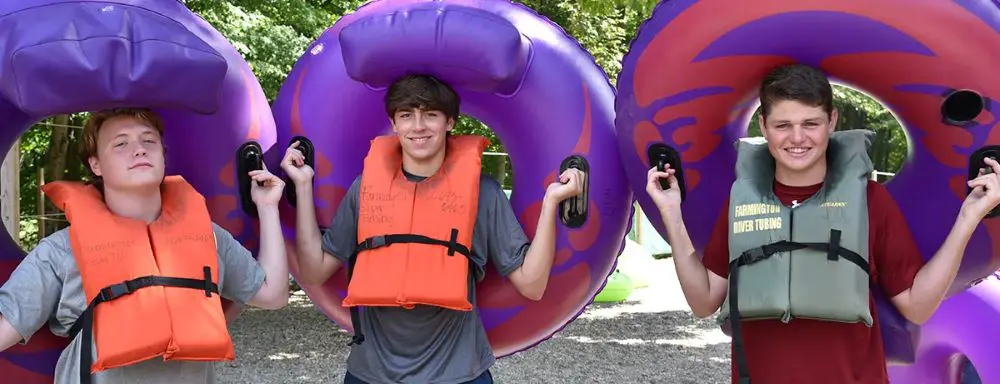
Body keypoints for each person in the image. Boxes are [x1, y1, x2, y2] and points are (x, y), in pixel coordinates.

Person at [645, 64, 1000, 384]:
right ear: (764, 127)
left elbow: (917, 306)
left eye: (810, 124)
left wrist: (968, 218)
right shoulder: (741, 202)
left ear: (831, 121)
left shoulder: (869, 200)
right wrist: (671, 213)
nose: (797, 139)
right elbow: (703, 301)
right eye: (783, 125)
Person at [282, 74, 585, 384]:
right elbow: (315, 271)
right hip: (371, 374)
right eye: (406, 115)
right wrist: (303, 185)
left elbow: (532, 285)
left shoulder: (483, 194)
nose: (418, 126)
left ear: (450, 122)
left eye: (430, 114)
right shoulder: (365, 190)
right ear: (394, 123)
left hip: (459, 375)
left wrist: (551, 204)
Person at [0, 108, 290, 384]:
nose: (138, 149)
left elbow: (273, 295)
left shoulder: (209, 237)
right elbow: (5, 329)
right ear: (95, 164)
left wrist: (267, 207)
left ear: (163, 157)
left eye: (149, 140)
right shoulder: (60, 251)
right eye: (120, 143)